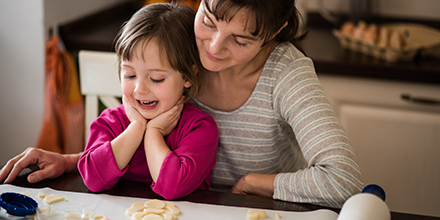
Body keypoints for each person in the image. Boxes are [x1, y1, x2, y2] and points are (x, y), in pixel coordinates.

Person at [0, 0, 363, 208]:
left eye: (240, 39)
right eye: (209, 19)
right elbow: (136, 144)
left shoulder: (286, 75)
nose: (214, 48)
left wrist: (253, 182)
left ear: (276, 30)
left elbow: (343, 180)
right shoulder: (177, 42)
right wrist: (70, 161)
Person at [79, 3, 218, 200]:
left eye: (156, 79)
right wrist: (136, 127)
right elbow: (92, 179)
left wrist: (154, 132)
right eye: (129, 75)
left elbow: (173, 187)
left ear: (187, 77)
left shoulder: (199, 129)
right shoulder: (110, 122)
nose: (139, 89)